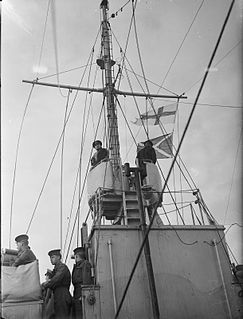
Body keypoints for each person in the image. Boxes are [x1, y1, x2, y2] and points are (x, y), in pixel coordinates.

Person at [42, 249, 72, 319]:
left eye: (53, 257)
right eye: (50, 258)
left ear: (58, 257)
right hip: (58, 296)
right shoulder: (56, 269)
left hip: (62, 295)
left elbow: (55, 280)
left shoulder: (62, 267)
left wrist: (44, 285)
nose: (51, 259)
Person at [71, 247, 92, 319]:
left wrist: (83, 294)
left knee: (81, 314)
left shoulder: (85, 264)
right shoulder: (77, 265)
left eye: (75, 256)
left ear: (77, 256)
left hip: (81, 292)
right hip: (76, 292)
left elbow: (86, 280)